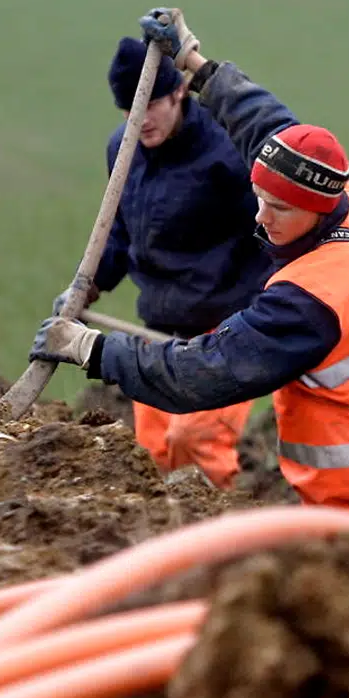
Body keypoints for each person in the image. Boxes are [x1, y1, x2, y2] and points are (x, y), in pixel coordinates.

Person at [31, 8, 349, 542]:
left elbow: (206, 372)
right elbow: (271, 128)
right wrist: (198, 62)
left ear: (312, 208)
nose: (260, 217)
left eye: (278, 209)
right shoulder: (348, 200)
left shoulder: (309, 298)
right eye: (259, 199)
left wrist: (91, 350)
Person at [58, 36, 271, 490]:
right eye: (130, 110)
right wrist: (89, 286)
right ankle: (165, 551)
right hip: (158, 330)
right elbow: (117, 232)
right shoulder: (123, 149)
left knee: (196, 445)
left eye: (152, 104)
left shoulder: (225, 152)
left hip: (227, 333)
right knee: (153, 460)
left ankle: (219, 549)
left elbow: (273, 229)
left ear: (178, 92)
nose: (142, 120)